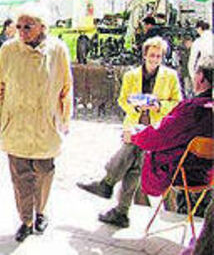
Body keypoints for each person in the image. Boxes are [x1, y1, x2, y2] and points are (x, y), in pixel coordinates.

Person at [77, 36, 182, 228]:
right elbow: (122, 99)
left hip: (155, 128)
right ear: (144, 55)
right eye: (152, 55)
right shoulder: (131, 75)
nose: (155, 59)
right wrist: (135, 107)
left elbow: (177, 102)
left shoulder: (170, 76)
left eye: (159, 56)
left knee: (132, 152)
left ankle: (108, 184)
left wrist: (158, 106)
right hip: (135, 123)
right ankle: (120, 210)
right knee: (133, 167)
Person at [0, 7, 72, 242]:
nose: (22, 31)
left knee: (45, 171)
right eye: (19, 26)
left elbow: (66, 88)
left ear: (42, 27)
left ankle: (41, 212)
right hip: (15, 121)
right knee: (20, 174)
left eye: (28, 26)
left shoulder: (57, 50)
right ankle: (25, 219)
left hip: (46, 123)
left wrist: (65, 120)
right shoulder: (8, 50)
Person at [124, 56, 212, 198]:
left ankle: (118, 204)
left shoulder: (193, 109)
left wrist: (134, 135)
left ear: (200, 77)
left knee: (134, 151)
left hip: (184, 173)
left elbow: (158, 136)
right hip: (208, 172)